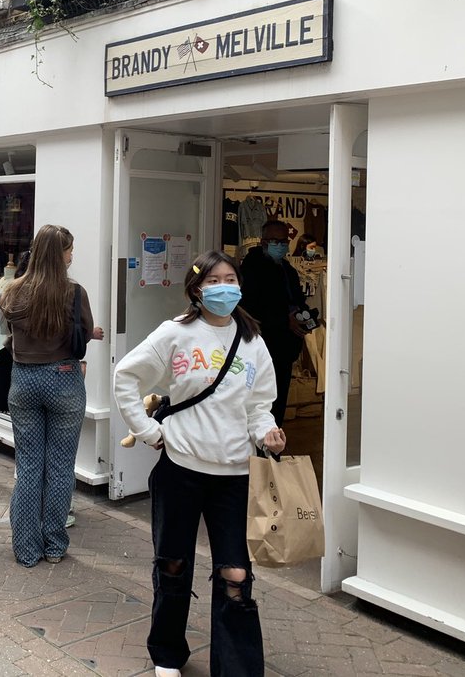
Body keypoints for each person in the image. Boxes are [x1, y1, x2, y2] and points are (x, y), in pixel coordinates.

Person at [113, 250, 286, 677]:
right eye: (213, 281)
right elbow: (126, 378)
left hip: (233, 476)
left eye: (230, 279)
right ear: (196, 289)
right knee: (172, 564)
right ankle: (167, 652)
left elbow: (260, 406)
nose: (223, 287)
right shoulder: (175, 334)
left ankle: (237, 668)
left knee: (235, 576)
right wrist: (152, 433)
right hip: (181, 470)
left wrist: (267, 432)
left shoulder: (252, 341)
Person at [0, 224, 101, 567]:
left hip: (24, 378)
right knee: (60, 466)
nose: (73, 256)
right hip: (64, 378)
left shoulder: (13, 291)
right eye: (70, 250)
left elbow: (9, 332)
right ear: (60, 255)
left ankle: (26, 548)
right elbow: (83, 333)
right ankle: (55, 544)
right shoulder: (73, 293)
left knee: (28, 466)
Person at [239, 220, 307, 427]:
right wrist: (284, 319)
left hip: (285, 348)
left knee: (278, 404)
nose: (281, 246)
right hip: (262, 346)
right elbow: (249, 309)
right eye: (275, 241)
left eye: (284, 241)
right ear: (263, 241)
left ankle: (273, 448)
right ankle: (259, 452)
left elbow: (296, 299)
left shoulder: (287, 269)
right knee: (259, 404)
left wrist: (303, 314)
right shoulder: (250, 269)